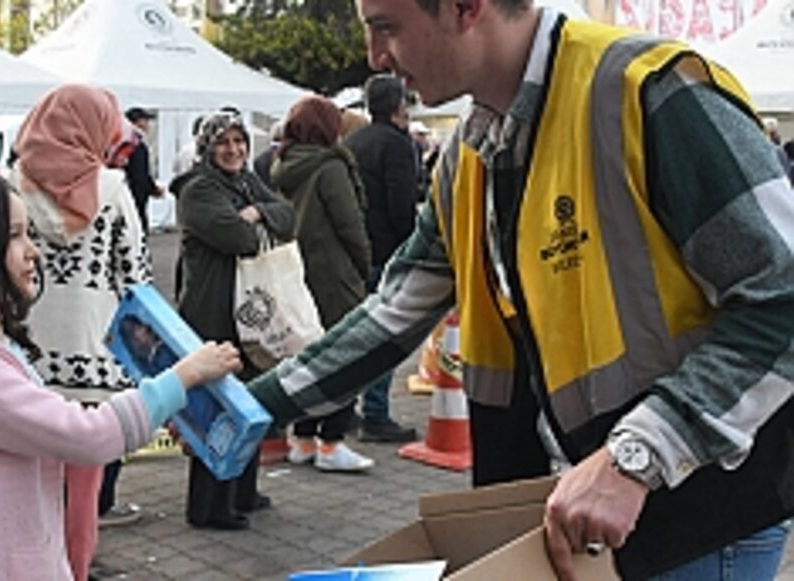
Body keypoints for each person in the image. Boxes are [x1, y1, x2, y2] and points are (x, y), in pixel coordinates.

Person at [247, 1, 794, 580]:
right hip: (581, 524)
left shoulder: (647, 92)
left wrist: (635, 457)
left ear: (465, 8)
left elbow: (782, 301)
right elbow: (393, 312)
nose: (374, 58)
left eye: (386, 27)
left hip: (696, 524)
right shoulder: (467, 154)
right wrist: (253, 405)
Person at [0, 168, 241, 580]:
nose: (33, 251)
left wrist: (162, 411)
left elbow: (54, 427)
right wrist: (182, 378)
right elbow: (85, 435)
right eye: (15, 236)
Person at [9, 84, 151, 580]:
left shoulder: (14, 183)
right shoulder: (111, 188)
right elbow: (135, 277)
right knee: (84, 493)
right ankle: (74, 569)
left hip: (26, 361)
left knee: (30, 487)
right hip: (95, 359)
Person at [171, 111, 294, 530]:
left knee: (249, 401)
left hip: (247, 314)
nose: (234, 149)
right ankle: (208, 508)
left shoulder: (243, 183)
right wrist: (259, 222)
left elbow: (288, 215)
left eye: (239, 141)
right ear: (208, 146)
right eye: (223, 142)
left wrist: (257, 212)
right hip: (211, 314)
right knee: (217, 411)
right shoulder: (198, 189)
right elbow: (236, 238)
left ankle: (243, 491)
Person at [270, 95, 375, 473]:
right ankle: (331, 442)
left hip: (296, 272)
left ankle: (301, 437)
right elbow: (350, 224)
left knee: (307, 358)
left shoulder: (280, 164)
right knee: (346, 358)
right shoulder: (330, 166)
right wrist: (365, 266)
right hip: (334, 275)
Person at [343, 73, 418, 444]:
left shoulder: (353, 141)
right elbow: (401, 203)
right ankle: (376, 413)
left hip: (355, 251)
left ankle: (346, 408)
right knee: (384, 335)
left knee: (355, 333)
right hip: (386, 251)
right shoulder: (397, 145)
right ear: (398, 106)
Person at [124, 107, 162, 232]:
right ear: (135, 123)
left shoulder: (124, 142)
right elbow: (140, 174)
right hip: (135, 196)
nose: (147, 124)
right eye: (144, 120)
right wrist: (149, 189)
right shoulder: (135, 145)